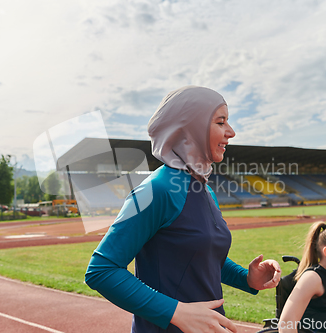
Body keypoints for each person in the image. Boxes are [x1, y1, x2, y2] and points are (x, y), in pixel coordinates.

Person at [85, 86, 281, 333]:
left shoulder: (204, 189)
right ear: (192, 129)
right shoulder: (157, 189)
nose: (231, 132)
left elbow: (200, 257)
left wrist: (247, 278)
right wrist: (175, 312)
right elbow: (101, 270)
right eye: (221, 122)